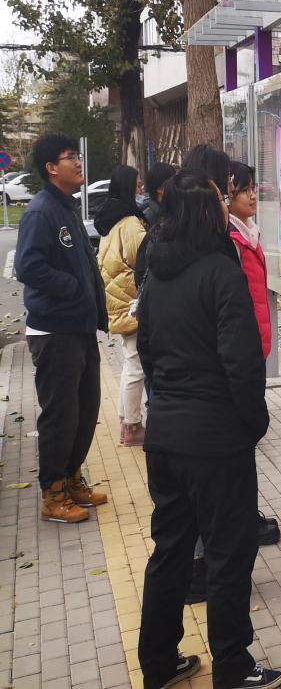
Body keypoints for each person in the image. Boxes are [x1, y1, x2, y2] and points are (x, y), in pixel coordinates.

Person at [136, 169, 281, 689]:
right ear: (206, 212)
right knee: (227, 555)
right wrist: (252, 423)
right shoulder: (222, 274)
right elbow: (241, 363)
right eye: (220, 200)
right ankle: (233, 667)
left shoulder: (157, 274)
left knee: (170, 550)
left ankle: (158, 664)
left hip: (166, 435)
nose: (226, 206)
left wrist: (170, 403)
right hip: (217, 441)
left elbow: (147, 352)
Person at [15, 133, 109, 523]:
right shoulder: (41, 211)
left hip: (79, 327)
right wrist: (74, 290)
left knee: (86, 409)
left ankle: (72, 479)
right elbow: (28, 266)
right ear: (52, 167)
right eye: (71, 157)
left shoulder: (66, 207)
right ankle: (52, 494)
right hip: (55, 331)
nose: (79, 162)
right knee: (61, 415)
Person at [95, 165, 149, 447]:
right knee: (136, 366)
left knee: (131, 362)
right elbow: (144, 258)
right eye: (138, 184)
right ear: (128, 187)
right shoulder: (129, 222)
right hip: (130, 300)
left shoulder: (110, 217)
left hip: (117, 299)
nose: (142, 188)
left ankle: (125, 422)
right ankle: (132, 426)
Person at [227, 161, 271, 360]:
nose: (253, 196)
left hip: (257, 341)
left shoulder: (250, 233)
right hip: (244, 345)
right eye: (245, 190)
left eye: (253, 188)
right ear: (229, 195)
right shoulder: (232, 241)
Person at [143, 161, 177, 228]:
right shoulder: (147, 218)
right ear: (159, 188)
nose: (176, 186)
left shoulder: (176, 210)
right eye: (173, 182)